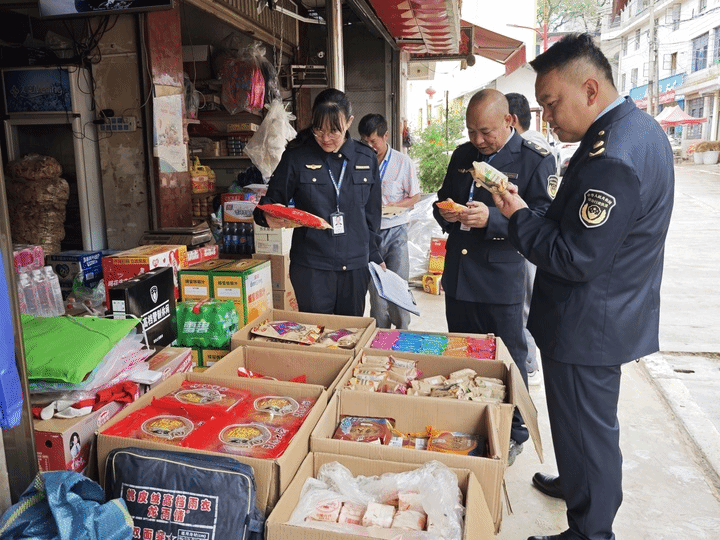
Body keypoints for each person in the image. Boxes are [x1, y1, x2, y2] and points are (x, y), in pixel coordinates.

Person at [492, 34, 674, 540]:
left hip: (588, 318)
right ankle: (576, 483)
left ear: (590, 90)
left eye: (551, 104)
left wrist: (518, 218)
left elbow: (575, 256)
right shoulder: (630, 130)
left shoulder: (614, 154)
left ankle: (591, 530)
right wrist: (528, 212)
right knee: (576, 423)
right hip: (600, 311)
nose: (547, 118)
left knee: (589, 431)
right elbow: (577, 224)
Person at [433, 88, 556, 465]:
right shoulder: (463, 155)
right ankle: (471, 421)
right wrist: (447, 213)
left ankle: (514, 431)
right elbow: (441, 199)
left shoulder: (534, 160)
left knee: (508, 360)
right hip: (460, 276)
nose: (478, 140)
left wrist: (493, 220)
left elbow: (543, 220)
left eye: (485, 132)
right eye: (471, 131)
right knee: (464, 355)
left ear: (508, 121)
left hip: (500, 279)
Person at [253, 88, 383, 316]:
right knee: (314, 330)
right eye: (319, 129)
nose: (325, 138)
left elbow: (372, 216)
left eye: (334, 130)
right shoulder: (297, 156)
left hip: (354, 267)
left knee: (350, 331)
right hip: (311, 267)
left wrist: (375, 255)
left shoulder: (366, 157)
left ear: (349, 122)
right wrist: (267, 216)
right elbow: (269, 203)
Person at [505, 92, 559, 388]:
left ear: (509, 120)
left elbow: (542, 208)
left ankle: (528, 365)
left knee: (522, 307)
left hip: (526, 244)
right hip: (524, 240)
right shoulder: (539, 144)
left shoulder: (533, 152)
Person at [358, 113, 421, 329]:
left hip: (395, 231)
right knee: (376, 292)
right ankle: (380, 337)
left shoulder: (403, 163)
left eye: (373, 141)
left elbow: (415, 196)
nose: (369, 146)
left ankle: (402, 333)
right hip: (370, 234)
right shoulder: (359, 162)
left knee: (399, 286)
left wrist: (397, 206)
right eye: (364, 141)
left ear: (385, 136)